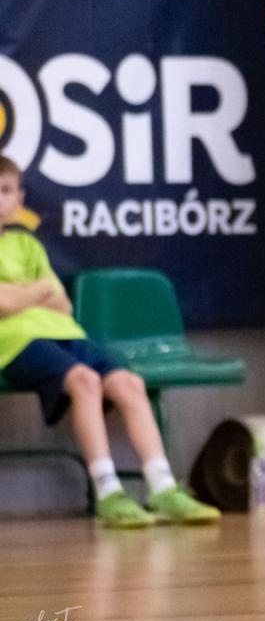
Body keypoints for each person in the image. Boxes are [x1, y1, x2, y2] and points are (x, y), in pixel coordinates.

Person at [0, 156, 220, 528]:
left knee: (129, 383)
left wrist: (24, 293)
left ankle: (163, 488)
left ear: (20, 198)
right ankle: (108, 493)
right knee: (84, 380)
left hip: (65, 333)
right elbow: (4, 306)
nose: (0, 199)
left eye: (6, 191)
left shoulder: (29, 247)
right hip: (15, 344)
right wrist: (37, 292)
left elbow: (63, 301)